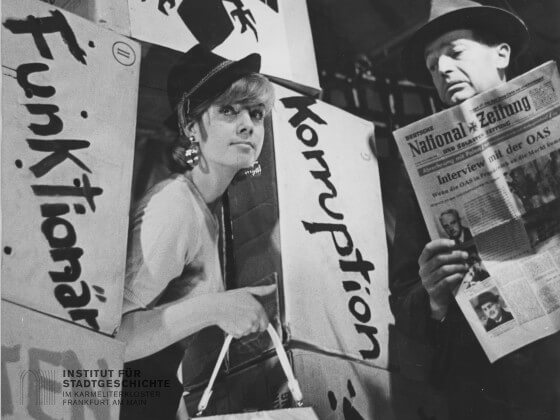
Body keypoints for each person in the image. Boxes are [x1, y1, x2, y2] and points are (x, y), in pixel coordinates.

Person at [390, 1, 560, 419]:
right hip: (489, 382)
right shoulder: (415, 174)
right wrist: (433, 296)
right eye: (432, 66)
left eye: (455, 52)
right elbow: (404, 291)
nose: (443, 69)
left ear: (501, 54)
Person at [116, 44, 276, 420]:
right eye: (228, 111)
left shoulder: (210, 212)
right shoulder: (175, 206)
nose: (248, 125)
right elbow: (111, 337)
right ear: (191, 127)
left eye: (256, 113)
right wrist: (217, 308)